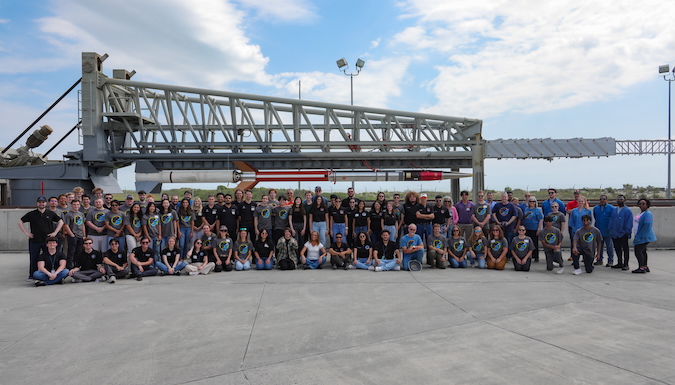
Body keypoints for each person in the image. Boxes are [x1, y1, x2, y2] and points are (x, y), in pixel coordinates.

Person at [19, 196, 64, 281]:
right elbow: (20, 222)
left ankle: (50, 274)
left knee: (49, 258)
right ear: (37, 203)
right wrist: (26, 233)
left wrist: (55, 233)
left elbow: (61, 221)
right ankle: (32, 275)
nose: (41, 204)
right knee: (34, 258)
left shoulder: (50, 213)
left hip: (47, 241)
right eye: (39, 202)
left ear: (45, 203)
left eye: (43, 202)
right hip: (35, 240)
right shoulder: (32, 214)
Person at [609, 194, 633, 271]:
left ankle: (626, 264)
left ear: (624, 200)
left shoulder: (628, 211)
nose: (619, 200)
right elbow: (611, 220)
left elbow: (629, 222)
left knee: (625, 248)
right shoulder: (614, 210)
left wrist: (627, 231)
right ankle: (619, 262)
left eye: (621, 199)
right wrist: (611, 229)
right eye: (618, 199)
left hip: (623, 233)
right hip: (615, 233)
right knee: (617, 248)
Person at [632, 198, 656, 274]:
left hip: (644, 237)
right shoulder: (641, 213)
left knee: (638, 251)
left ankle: (641, 268)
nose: (641, 205)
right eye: (640, 204)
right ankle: (645, 266)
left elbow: (647, 226)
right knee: (643, 251)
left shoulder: (648, 214)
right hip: (640, 236)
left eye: (643, 204)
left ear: (647, 205)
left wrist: (640, 237)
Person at [591, 194, 615, 267]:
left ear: (607, 200)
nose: (602, 200)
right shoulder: (596, 208)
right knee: (599, 246)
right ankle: (599, 260)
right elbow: (595, 217)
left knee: (609, 246)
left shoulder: (611, 208)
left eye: (604, 199)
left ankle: (610, 261)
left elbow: (614, 219)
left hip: (608, 231)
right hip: (599, 230)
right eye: (601, 199)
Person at [63, 199, 86, 269]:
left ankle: (77, 265)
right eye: (74, 204)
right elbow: (66, 225)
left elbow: (82, 224)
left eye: (77, 204)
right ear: (71, 205)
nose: (76, 206)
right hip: (73, 235)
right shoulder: (68, 214)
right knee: (71, 252)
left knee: (78, 251)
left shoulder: (81, 214)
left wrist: (84, 235)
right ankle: (69, 266)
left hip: (80, 235)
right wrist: (72, 235)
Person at [568, 196, 591, 262]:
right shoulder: (574, 211)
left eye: (582, 201)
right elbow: (571, 221)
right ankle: (575, 260)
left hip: (585, 230)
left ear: (584, 202)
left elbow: (590, 220)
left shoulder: (588, 211)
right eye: (579, 201)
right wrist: (573, 228)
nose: (581, 202)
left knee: (585, 245)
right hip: (576, 230)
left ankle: (585, 259)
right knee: (575, 245)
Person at [522, 196, 543, 262]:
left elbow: (540, 220)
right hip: (527, 228)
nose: (532, 203)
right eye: (530, 201)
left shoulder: (538, 210)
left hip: (534, 228)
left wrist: (539, 229)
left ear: (535, 202)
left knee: (534, 243)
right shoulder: (526, 209)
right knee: (526, 243)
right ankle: (528, 256)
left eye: (533, 201)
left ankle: (536, 256)